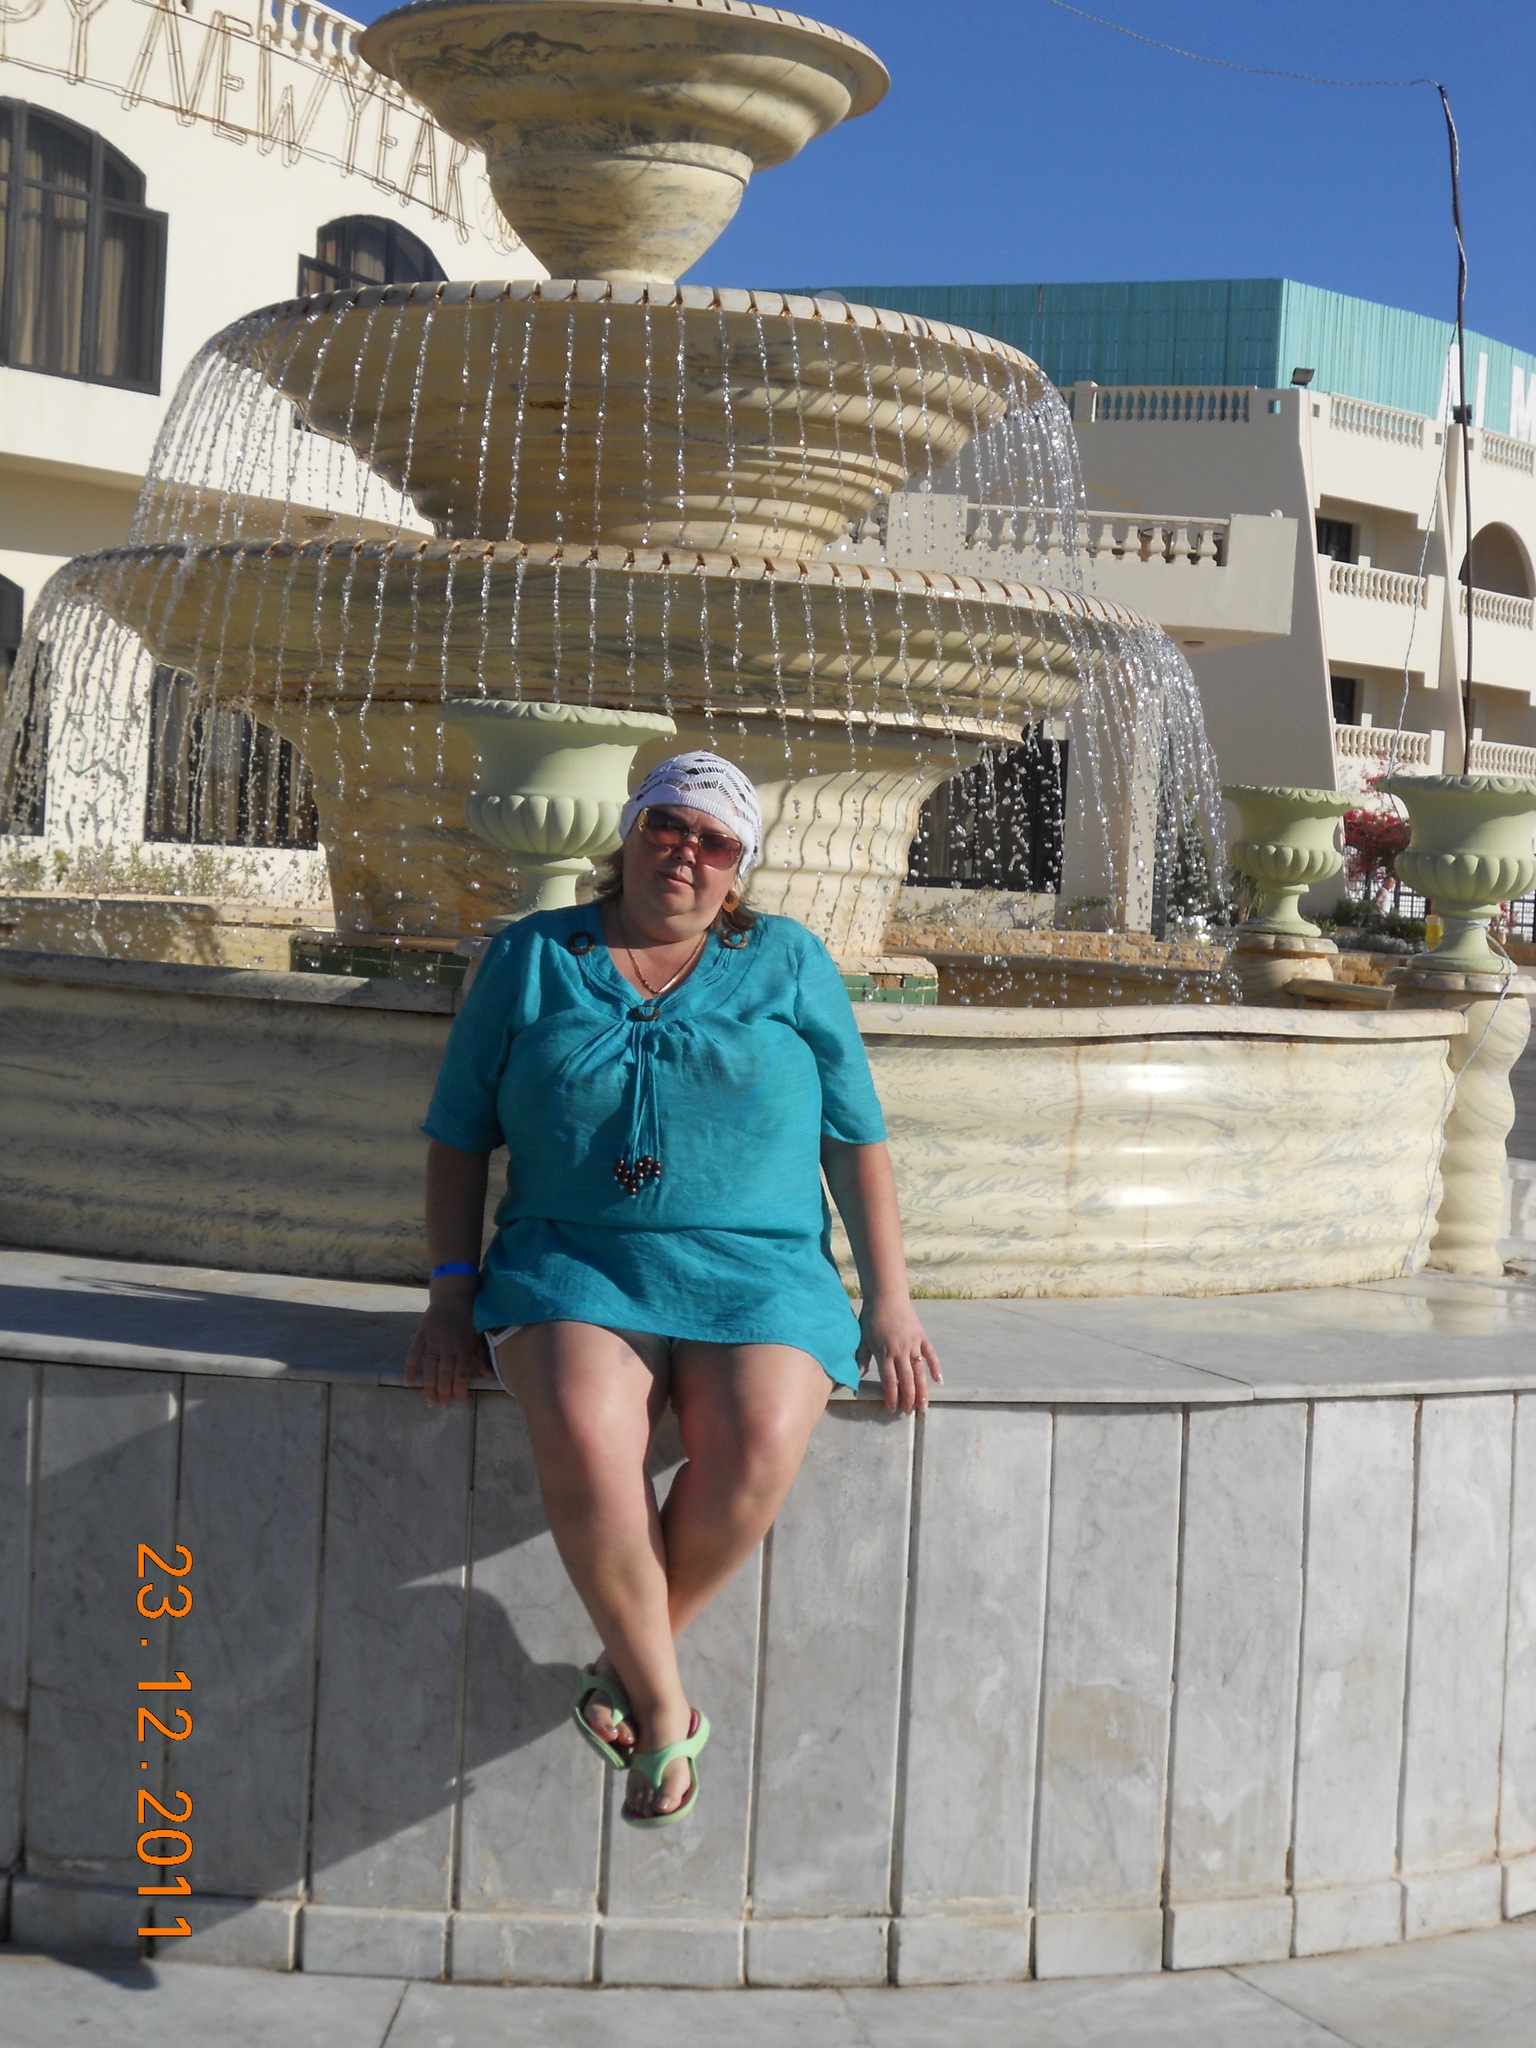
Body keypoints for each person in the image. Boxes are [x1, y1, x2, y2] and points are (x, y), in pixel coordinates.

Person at [405, 750, 941, 1826]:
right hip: (574, 1263)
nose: (686, 852)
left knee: (758, 1439)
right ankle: (661, 1710)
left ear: (739, 868)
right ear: (630, 831)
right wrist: (452, 1290)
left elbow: (855, 1138)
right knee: (584, 1429)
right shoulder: (532, 955)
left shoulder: (788, 960)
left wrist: (889, 1296)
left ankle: (623, 1665)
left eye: (714, 840)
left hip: (762, 1271)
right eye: (667, 825)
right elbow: (459, 1136)